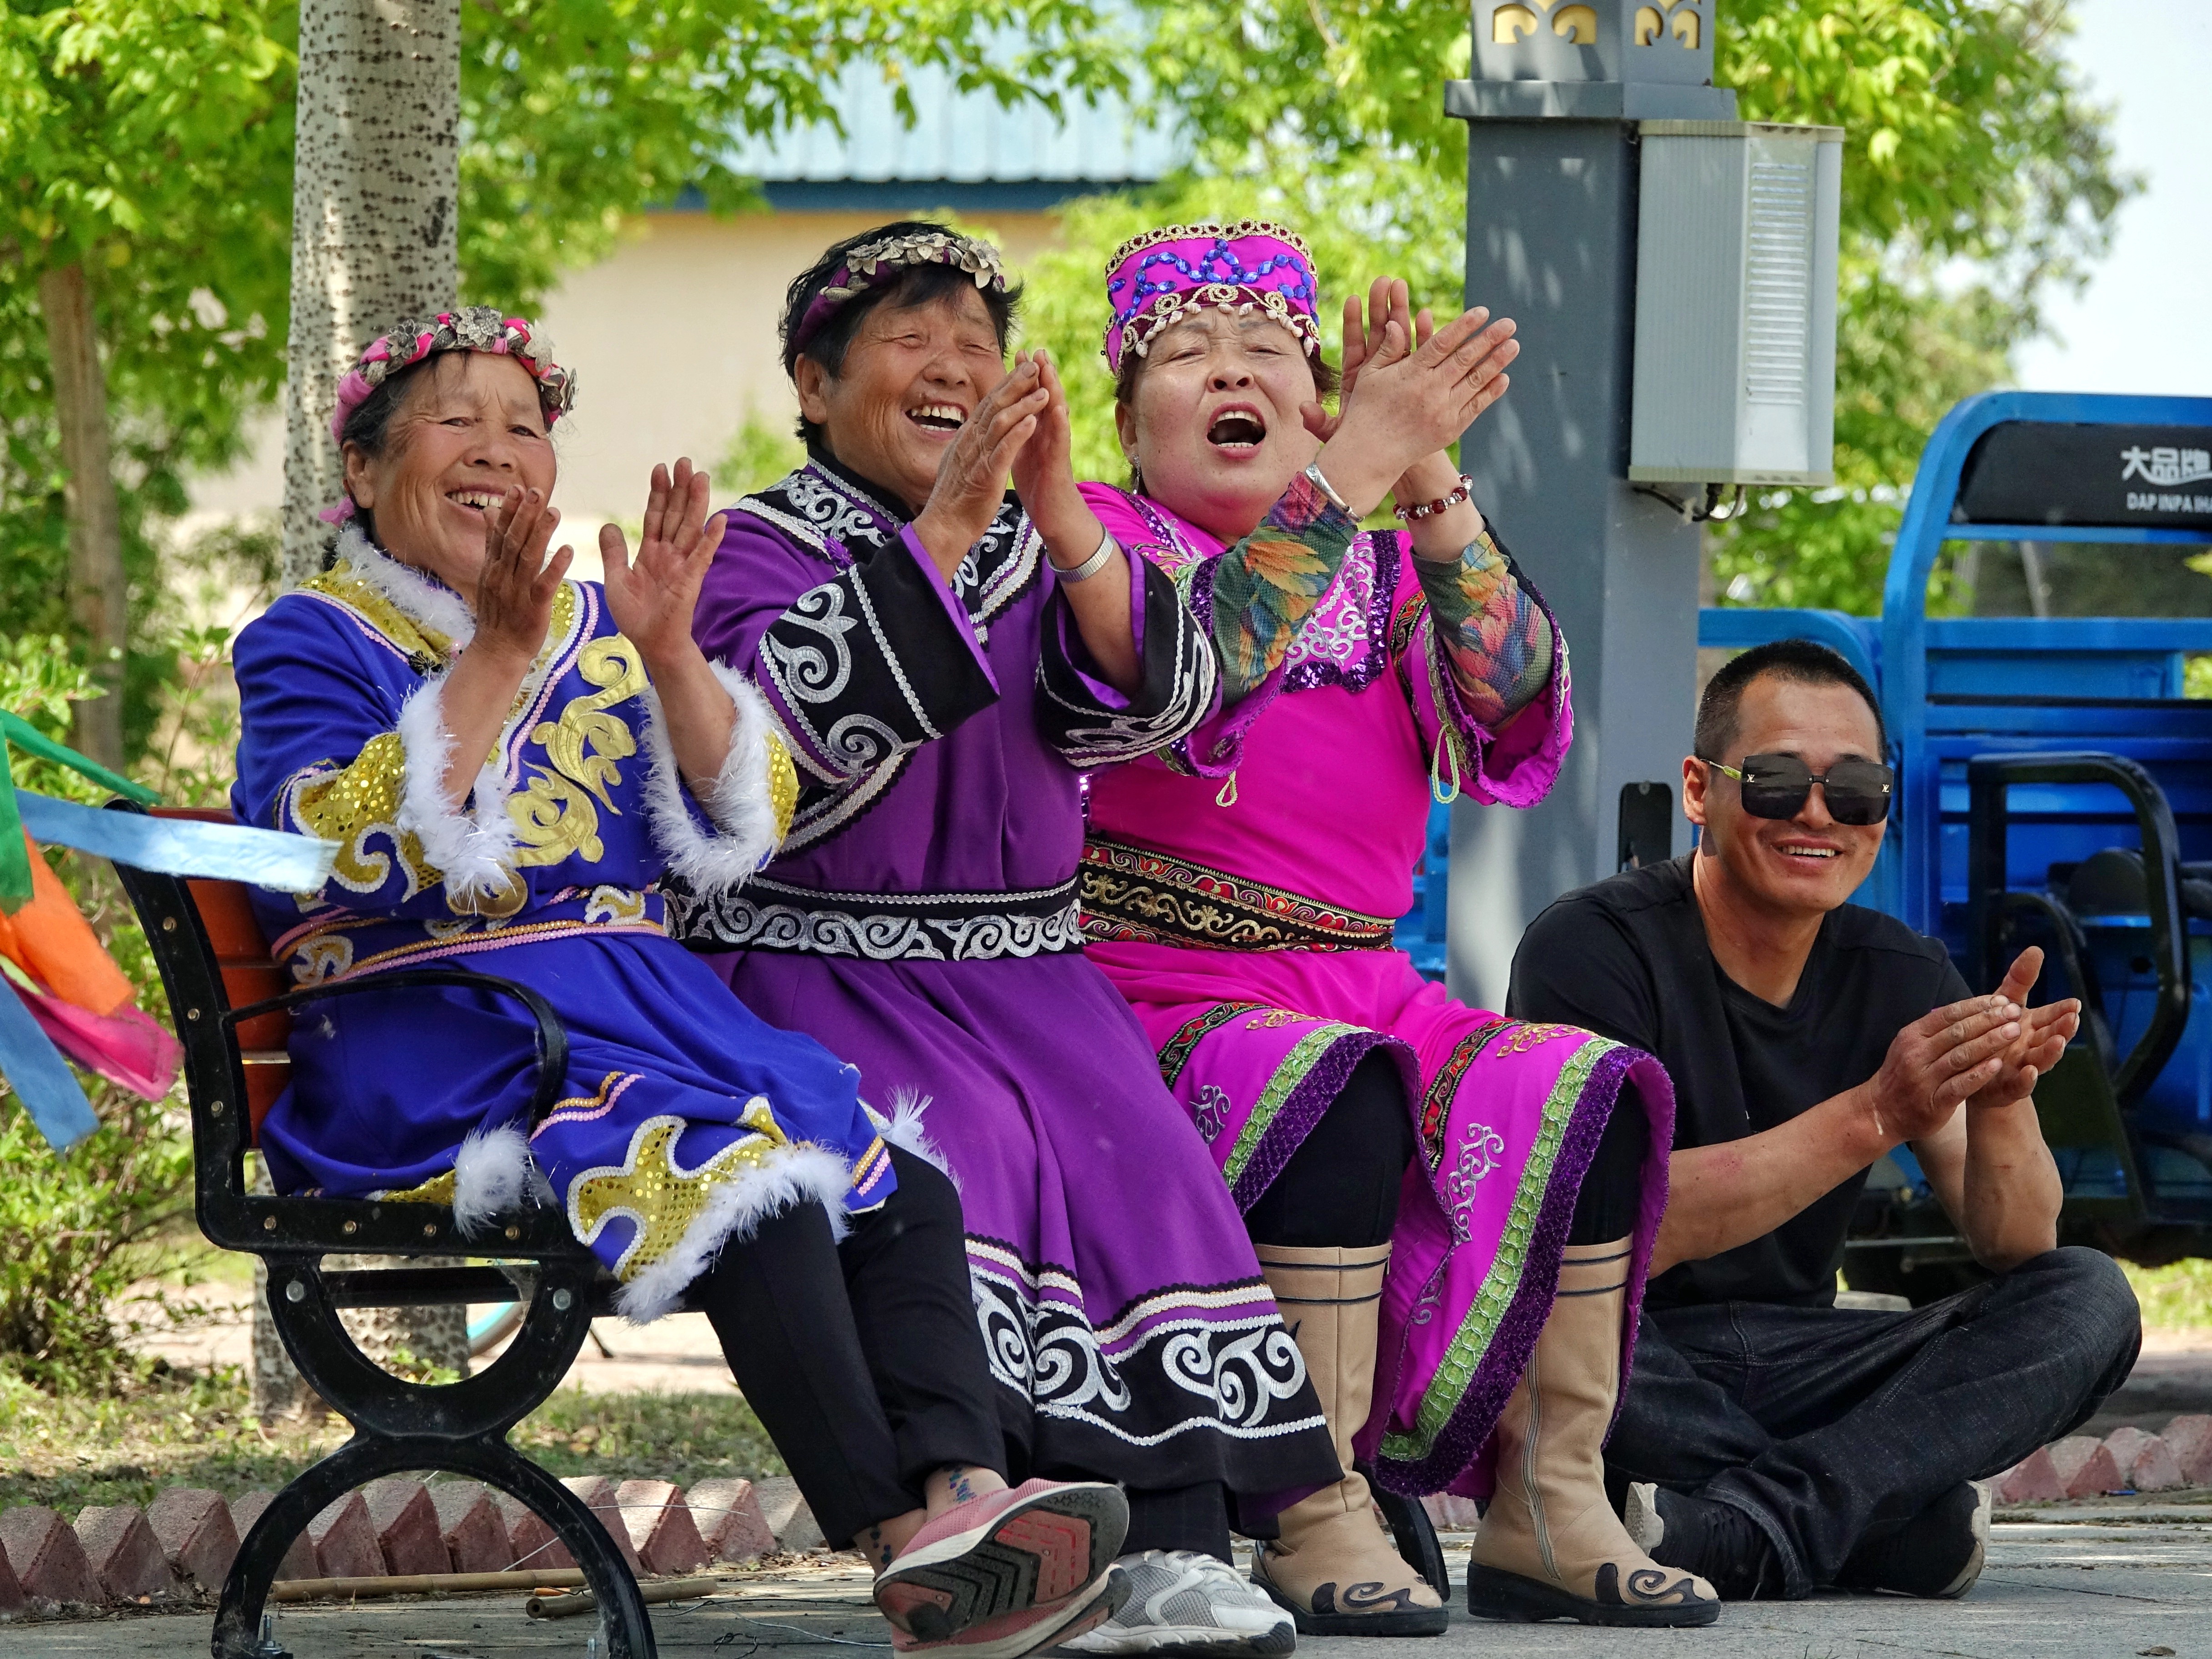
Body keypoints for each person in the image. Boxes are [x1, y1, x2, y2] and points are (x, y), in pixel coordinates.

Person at [230, 308, 1130, 1659]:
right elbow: (333, 857)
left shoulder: (596, 627)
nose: (500, 453)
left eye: (527, 428)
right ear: (362, 472)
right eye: (457, 421)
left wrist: (664, 652)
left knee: (900, 1185)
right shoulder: (306, 639)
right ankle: (907, 1553)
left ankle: (970, 1496)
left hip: (629, 1027)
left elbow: (746, 806)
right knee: (741, 1182)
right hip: (445, 1039)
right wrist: (491, 653)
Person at [678, 222, 1347, 1659]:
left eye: (978, 346)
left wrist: (1064, 525)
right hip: (824, 963)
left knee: (1146, 1166)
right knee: (968, 1147)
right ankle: (1008, 1534)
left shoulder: (1035, 554)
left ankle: (1175, 1546)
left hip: (1034, 973)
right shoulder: (746, 549)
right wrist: (946, 540)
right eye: (911, 341)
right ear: (811, 383)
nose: (954, 370)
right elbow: (778, 761)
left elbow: (1160, 706)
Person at [1067, 222, 1717, 1632]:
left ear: (1317, 402)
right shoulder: (1099, 548)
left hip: (1366, 985)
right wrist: (1351, 469)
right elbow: (1202, 668)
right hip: (1156, 993)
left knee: (1586, 1093)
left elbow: (1513, 700)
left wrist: (1429, 480)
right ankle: (1315, 1505)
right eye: (1186, 355)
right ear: (1128, 419)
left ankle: (1555, 1499)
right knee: (1329, 1092)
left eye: (1268, 354)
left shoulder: (1374, 572)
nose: (1230, 372)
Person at [1508, 637, 2143, 1603]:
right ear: (1697, 789)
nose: (1815, 815)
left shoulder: (1901, 970)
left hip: (1804, 1354)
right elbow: (1613, 1234)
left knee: (2088, 1299)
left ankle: (1731, 1532)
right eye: (1772, 782)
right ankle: (1872, 1517)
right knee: (1525, 1331)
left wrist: (2002, 1100)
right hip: (1630, 1351)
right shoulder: (1591, 948)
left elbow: (2016, 1244)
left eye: (1852, 790)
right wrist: (1874, 1113)